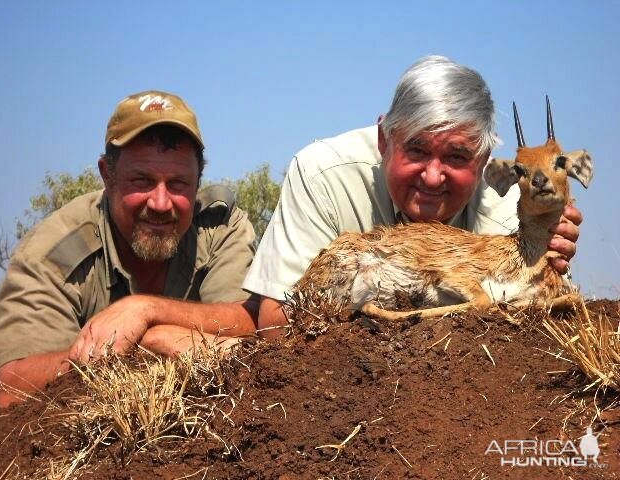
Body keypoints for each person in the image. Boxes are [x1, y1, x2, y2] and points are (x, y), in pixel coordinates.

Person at [243, 56, 582, 334]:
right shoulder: (324, 171)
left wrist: (553, 237)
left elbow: (546, 304)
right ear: (383, 140)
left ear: (484, 161)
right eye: (416, 150)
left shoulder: (514, 198)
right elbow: (278, 319)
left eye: (457, 157)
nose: (433, 177)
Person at [0, 91, 259, 409]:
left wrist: (146, 311)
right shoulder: (52, 253)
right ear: (107, 176)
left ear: (198, 183)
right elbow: (11, 389)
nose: (160, 203)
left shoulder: (219, 224)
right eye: (142, 180)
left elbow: (252, 320)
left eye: (178, 184)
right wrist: (146, 347)